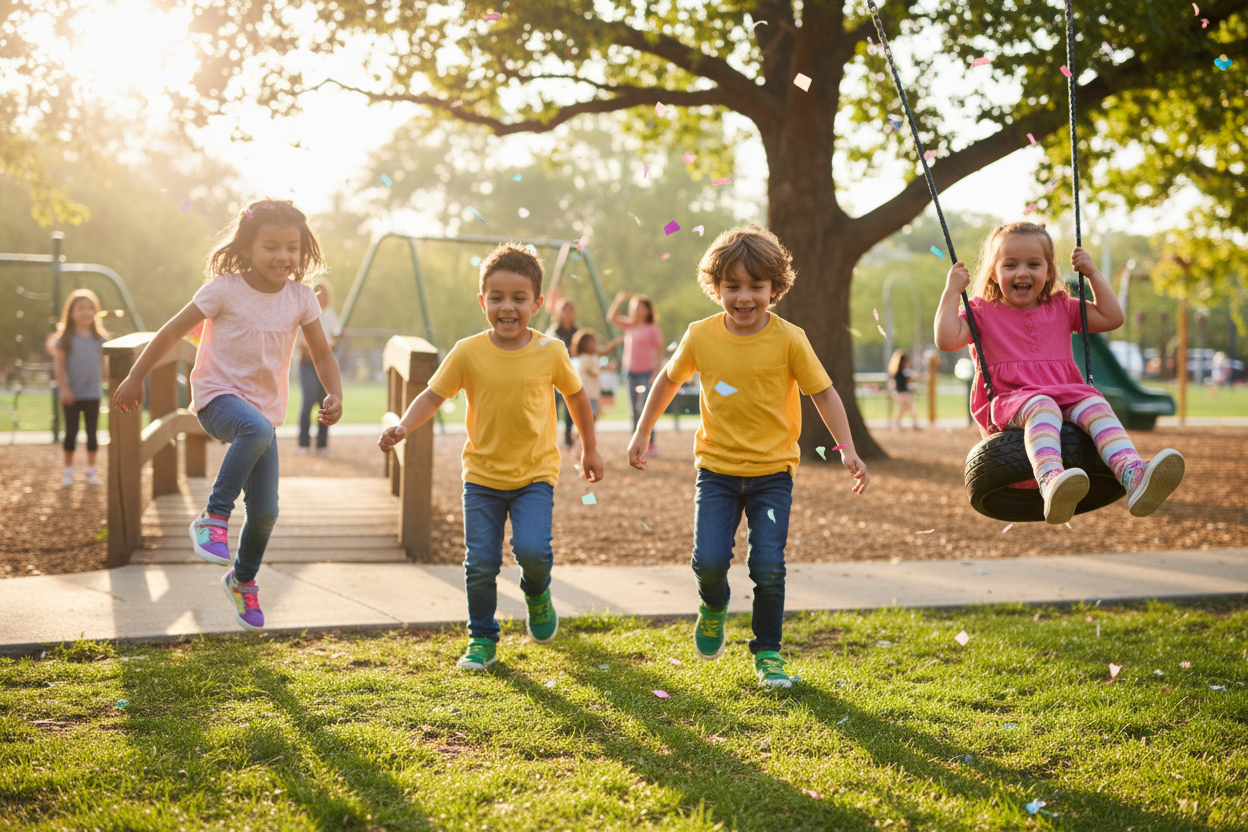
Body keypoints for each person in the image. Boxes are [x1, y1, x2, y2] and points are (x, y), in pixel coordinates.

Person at [626, 225, 869, 688]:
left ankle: (768, 652)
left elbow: (824, 393)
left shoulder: (790, 339)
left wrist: (847, 449)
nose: (743, 297)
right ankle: (713, 605)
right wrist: (643, 432)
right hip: (716, 472)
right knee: (710, 561)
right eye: (732, 286)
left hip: (773, 475)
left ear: (774, 289)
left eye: (755, 286)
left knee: (768, 566)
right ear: (714, 287)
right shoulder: (700, 335)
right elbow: (667, 381)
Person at [112, 199, 343, 630]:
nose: (283, 257)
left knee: (267, 510)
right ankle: (214, 516)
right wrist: (136, 375)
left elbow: (323, 354)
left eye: (291, 247)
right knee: (253, 427)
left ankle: (242, 579)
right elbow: (172, 332)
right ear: (248, 247)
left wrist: (335, 393)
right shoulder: (224, 289)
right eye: (271, 246)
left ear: (303, 249)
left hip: (262, 415)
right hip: (216, 398)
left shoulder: (301, 298)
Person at [379, 242, 603, 672]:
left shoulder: (551, 351)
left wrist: (589, 448)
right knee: (481, 562)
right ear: (483, 302)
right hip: (481, 476)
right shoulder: (467, 351)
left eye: (519, 298)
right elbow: (432, 394)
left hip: (535, 474)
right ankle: (481, 637)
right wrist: (404, 426)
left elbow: (576, 395)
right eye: (497, 298)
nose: (507, 307)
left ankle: (537, 595)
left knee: (532, 551)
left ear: (536, 304)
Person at [934, 221, 1183, 524]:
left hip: (1066, 393)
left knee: (1094, 402)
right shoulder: (982, 312)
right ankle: (1052, 481)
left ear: (1049, 272)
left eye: (1033, 264)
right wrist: (951, 291)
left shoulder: (1060, 307)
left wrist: (1092, 273)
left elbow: (1111, 317)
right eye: (1010, 264)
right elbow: (946, 339)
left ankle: (1132, 474)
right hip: (1009, 401)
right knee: (1043, 405)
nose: (1022, 272)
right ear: (993, 273)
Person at [52, 289, 109, 486]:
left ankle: (91, 470)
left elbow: (104, 365)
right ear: (71, 313)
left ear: (96, 312)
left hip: (93, 393)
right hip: (72, 395)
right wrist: (65, 389)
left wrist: (109, 380)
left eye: (90, 308)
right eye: (81, 308)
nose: (86, 312)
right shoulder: (66, 339)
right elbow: (58, 366)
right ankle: (67, 470)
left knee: (93, 433)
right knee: (71, 432)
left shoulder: (100, 339)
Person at [608, 291, 663, 455]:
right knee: (633, 410)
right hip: (629, 373)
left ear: (647, 310)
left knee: (645, 409)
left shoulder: (653, 329)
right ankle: (635, 444)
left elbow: (659, 353)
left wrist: (656, 373)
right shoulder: (630, 325)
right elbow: (612, 318)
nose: (636, 309)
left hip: (646, 374)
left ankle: (650, 444)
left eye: (640, 306)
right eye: (634, 306)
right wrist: (618, 300)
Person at [296, 279, 339, 453]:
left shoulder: (330, 316)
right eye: (317, 294)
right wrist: (314, 344)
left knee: (325, 401)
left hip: (324, 363)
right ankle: (303, 442)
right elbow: (297, 339)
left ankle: (322, 443)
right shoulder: (303, 313)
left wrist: (332, 342)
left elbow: (333, 340)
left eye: (324, 294)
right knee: (308, 399)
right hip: (307, 363)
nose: (321, 298)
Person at [569, 327, 623, 452]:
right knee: (588, 418)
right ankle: (578, 439)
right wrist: (606, 368)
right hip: (586, 394)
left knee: (593, 418)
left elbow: (604, 351)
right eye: (591, 342)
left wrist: (614, 343)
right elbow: (594, 371)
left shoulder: (593, 355)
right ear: (584, 345)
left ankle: (585, 442)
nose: (595, 345)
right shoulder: (584, 358)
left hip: (593, 393)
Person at [544, 297, 579, 447]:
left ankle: (568, 435)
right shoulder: (554, 330)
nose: (567, 313)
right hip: (556, 371)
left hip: (572, 370)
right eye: (564, 310)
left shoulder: (577, 331)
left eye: (570, 310)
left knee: (570, 404)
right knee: (555, 404)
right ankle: (552, 435)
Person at [888, 349, 920, 430]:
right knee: (911, 406)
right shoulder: (902, 371)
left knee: (904, 408)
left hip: (900, 392)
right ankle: (914, 424)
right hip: (902, 393)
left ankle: (898, 424)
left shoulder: (897, 371)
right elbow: (908, 378)